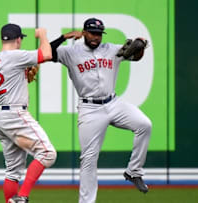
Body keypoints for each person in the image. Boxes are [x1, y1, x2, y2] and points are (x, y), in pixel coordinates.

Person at [50, 18, 152, 203]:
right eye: (92, 33)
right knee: (88, 160)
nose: (96, 37)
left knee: (144, 125)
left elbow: (135, 57)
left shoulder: (112, 49)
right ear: (84, 32)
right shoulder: (70, 52)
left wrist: (141, 46)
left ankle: (133, 171)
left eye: (98, 34)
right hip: (90, 109)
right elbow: (47, 52)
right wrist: (64, 36)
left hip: (113, 103)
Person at [0, 23, 56, 203]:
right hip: (14, 114)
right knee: (47, 153)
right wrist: (43, 36)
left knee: (13, 172)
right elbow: (46, 54)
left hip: (0, 116)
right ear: (18, 39)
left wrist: (18, 80)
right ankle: (22, 197)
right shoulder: (16, 55)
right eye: (20, 39)